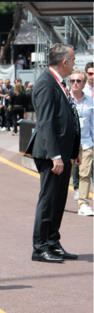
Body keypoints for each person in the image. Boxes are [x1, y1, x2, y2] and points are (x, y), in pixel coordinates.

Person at [25, 43, 81, 263]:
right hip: (51, 155)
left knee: (59, 200)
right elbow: (46, 122)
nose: (74, 64)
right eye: (73, 60)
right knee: (48, 200)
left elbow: (66, 119)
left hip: (63, 153)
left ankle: (53, 242)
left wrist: (72, 151)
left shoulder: (57, 81)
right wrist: (55, 155)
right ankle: (40, 247)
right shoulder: (46, 83)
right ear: (65, 62)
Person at [69, 70, 94, 216]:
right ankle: (56, 203)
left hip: (86, 143)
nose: (75, 84)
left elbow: (92, 124)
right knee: (64, 175)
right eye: (72, 81)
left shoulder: (91, 101)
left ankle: (83, 204)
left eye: (78, 81)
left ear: (84, 83)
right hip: (69, 144)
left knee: (85, 174)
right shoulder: (66, 100)